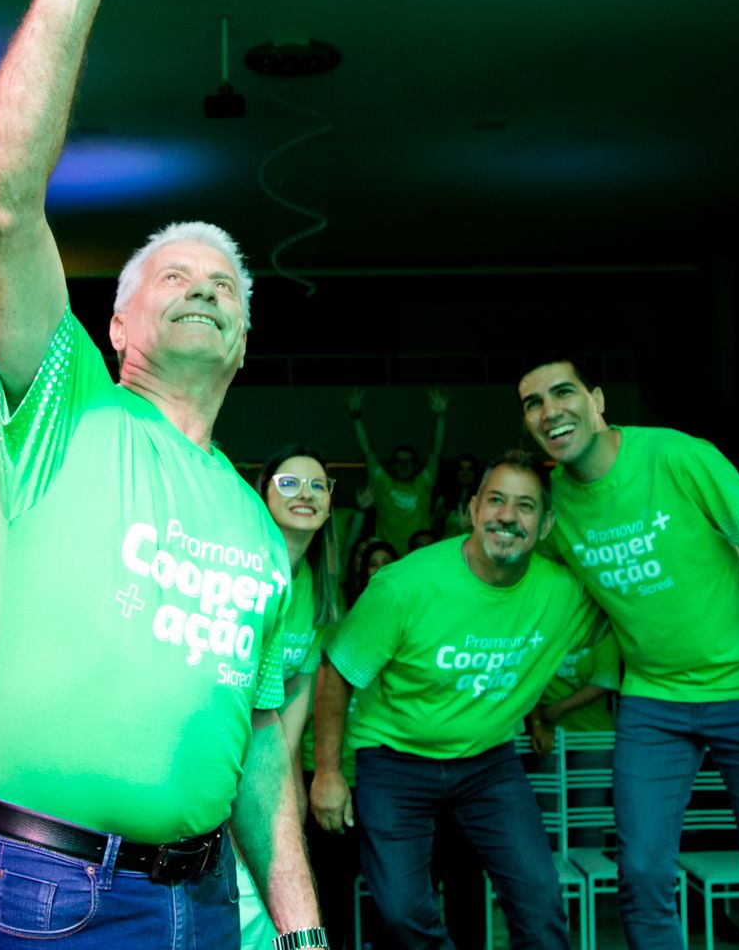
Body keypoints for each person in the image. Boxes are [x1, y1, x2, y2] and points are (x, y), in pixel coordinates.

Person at [0, 0, 322, 949]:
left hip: (204, 903)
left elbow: (262, 755)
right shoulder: (67, 409)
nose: (209, 285)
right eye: (178, 275)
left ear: (247, 344)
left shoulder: (263, 536)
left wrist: (301, 929)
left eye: (229, 284)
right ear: (116, 320)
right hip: (48, 899)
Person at [517, 357, 739, 950]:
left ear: (597, 399)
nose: (550, 410)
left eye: (563, 392)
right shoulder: (552, 507)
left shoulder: (677, 455)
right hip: (652, 701)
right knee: (641, 877)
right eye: (533, 403)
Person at [310, 450, 600, 950]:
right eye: (496, 501)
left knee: (540, 904)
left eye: (526, 506)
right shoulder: (405, 585)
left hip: (489, 762)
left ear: (547, 523)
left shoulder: (563, 593)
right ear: (472, 510)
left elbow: (638, 617)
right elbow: (336, 672)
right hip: (395, 760)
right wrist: (329, 773)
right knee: (401, 914)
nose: (508, 516)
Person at [233, 446, 346, 950]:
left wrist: (287, 781)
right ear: (263, 493)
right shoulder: (244, 568)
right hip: (222, 766)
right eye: (288, 483)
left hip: (263, 762)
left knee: (267, 905)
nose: (305, 493)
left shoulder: (316, 587)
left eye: (318, 485)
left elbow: (297, 685)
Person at [346, 388, 449, 550]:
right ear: (392, 465)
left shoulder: (423, 483)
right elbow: (367, 450)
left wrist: (441, 417)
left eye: (409, 461)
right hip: (387, 556)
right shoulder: (382, 482)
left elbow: (436, 452)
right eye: (399, 461)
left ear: (416, 465)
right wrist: (356, 417)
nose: (404, 465)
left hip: (418, 555)